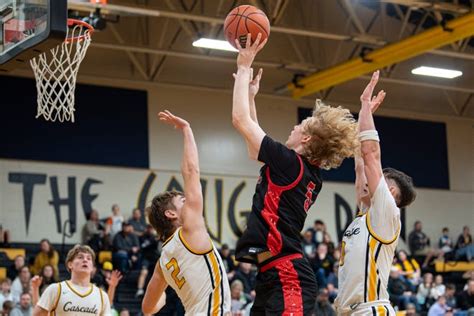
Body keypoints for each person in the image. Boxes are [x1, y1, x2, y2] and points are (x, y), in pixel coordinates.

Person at [232, 33, 358, 315]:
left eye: (301, 125)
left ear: (308, 140)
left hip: (288, 275)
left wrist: (243, 67)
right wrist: (250, 96)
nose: (294, 128)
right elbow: (255, 148)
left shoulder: (290, 164)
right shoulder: (300, 169)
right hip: (274, 274)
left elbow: (240, 121)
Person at [334, 71, 417, 315]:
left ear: (389, 191)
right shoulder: (366, 214)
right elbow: (361, 162)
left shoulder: (386, 211)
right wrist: (363, 115)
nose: (366, 183)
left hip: (371, 310)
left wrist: (365, 109)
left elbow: (371, 154)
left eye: (376, 181)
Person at [142, 111, 230, 315]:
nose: (188, 201)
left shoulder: (162, 262)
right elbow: (191, 172)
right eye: (182, 200)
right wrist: (186, 130)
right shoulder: (190, 231)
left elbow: (147, 308)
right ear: (171, 214)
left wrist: (162, 297)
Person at [32, 244, 111, 315]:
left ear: (92, 267)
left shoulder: (102, 295)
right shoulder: (55, 289)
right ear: (70, 264)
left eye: (89, 258)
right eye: (80, 257)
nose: (85, 260)